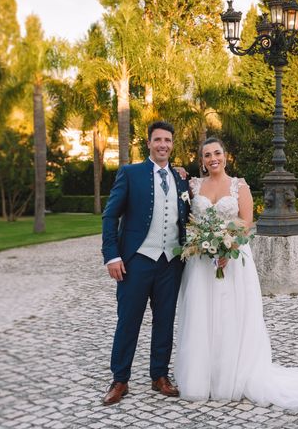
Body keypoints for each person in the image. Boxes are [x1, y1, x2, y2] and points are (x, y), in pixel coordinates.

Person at [175, 137, 298, 408]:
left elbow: (246, 222)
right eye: (207, 155)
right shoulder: (193, 185)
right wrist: (177, 169)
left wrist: (228, 250)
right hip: (201, 264)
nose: (213, 158)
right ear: (201, 160)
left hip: (232, 260)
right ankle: (202, 378)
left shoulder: (240, 186)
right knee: (200, 315)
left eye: (217, 153)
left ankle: (232, 376)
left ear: (226, 156)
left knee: (230, 315)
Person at [101, 121, 190, 405]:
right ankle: (120, 379)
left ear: (172, 144)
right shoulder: (130, 173)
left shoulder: (181, 178)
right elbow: (109, 216)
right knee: (128, 321)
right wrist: (112, 255)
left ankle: (159, 375)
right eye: (158, 140)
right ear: (148, 143)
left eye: (167, 140)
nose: (163, 144)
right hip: (136, 262)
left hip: (170, 262)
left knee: (164, 321)